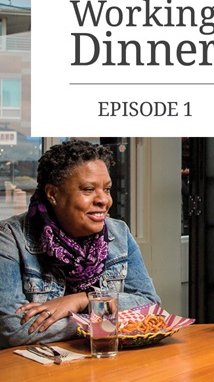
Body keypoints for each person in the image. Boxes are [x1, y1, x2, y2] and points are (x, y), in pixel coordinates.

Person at [0, 140, 160, 348]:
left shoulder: (119, 233)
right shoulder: (10, 238)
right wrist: (106, 317)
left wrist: (85, 300)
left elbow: (150, 306)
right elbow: (15, 329)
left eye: (107, 189)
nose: (103, 200)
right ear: (53, 194)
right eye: (88, 189)